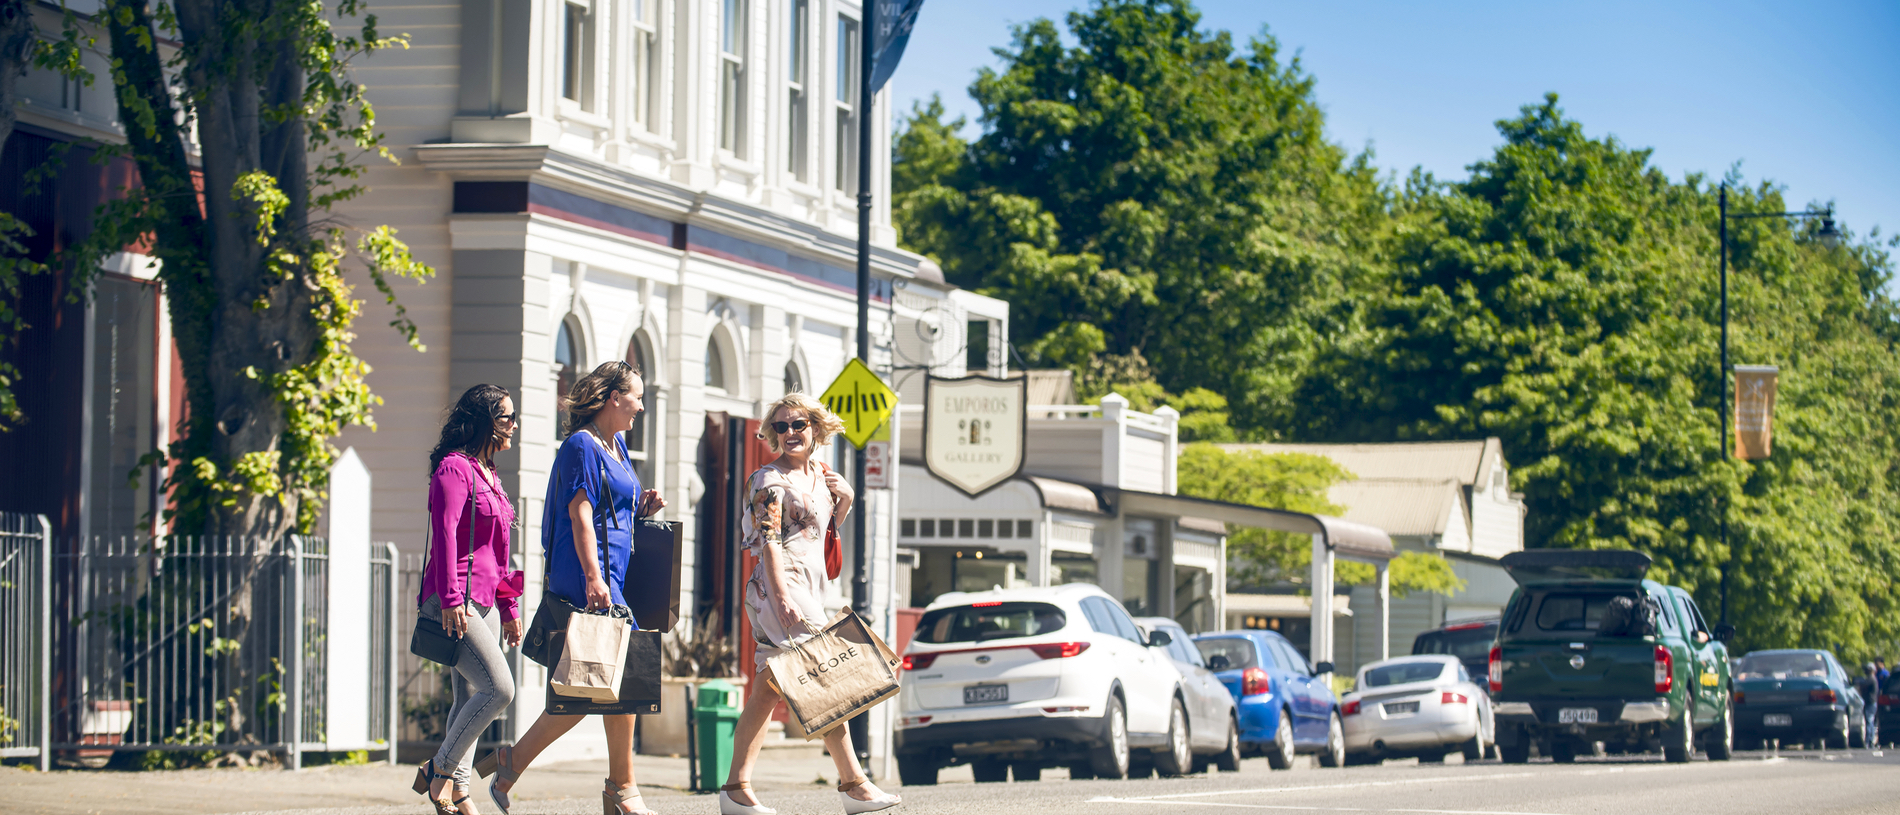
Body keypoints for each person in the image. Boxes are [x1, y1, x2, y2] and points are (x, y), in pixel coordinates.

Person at [478, 361, 665, 815]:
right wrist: (593, 576)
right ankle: (621, 790)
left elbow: (610, 509)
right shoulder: (582, 445)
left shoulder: (616, 444)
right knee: (609, 683)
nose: (642, 405)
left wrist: (642, 506)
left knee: (594, 689)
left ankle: (514, 763)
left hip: (613, 576)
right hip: (590, 580)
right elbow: (580, 512)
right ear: (613, 398)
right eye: (636, 396)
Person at [719, 393, 900, 815]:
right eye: (780, 427)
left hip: (812, 588)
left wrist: (847, 501)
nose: (789, 434)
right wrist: (781, 597)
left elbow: (819, 535)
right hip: (782, 589)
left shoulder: (820, 473)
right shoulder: (769, 481)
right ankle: (854, 782)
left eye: (797, 424)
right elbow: (769, 543)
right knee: (825, 679)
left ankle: (735, 788)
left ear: (814, 428)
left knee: (767, 692)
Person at [413, 384, 524, 815]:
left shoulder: (490, 474)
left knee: (467, 700)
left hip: (485, 603)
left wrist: (510, 607)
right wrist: (451, 600)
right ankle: (438, 770)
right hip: (454, 600)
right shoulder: (453, 470)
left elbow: (499, 552)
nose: (513, 425)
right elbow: (444, 538)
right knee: (499, 690)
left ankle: (458, 793)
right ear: (482, 421)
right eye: (505, 418)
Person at [1855, 663, 1880, 748]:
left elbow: (1863, 685)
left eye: (1867, 670)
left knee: (1869, 722)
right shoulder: (1871, 679)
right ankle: (1870, 742)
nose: (1866, 671)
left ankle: (1868, 742)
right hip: (1870, 703)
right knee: (1870, 722)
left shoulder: (1871, 679)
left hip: (1870, 703)